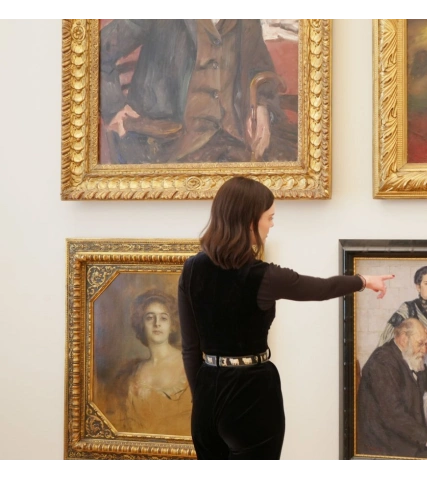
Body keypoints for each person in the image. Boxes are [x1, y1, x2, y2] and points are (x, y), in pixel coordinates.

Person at [177, 176, 394, 463]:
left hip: (206, 392)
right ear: (250, 222)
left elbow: (190, 348)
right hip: (252, 393)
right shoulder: (265, 276)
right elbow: (320, 288)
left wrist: (202, 399)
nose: (272, 225)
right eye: (270, 217)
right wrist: (363, 280)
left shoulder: (191, 268)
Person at [100, 17, 297, 164]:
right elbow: (95, 49)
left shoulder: (246, 17)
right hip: (166, 141)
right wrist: (114, 107)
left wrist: (262, 106)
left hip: (234, 139)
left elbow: (260, 68)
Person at [357, 319, 427, 459]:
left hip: (403, 438)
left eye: (425, 344)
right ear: (404, 339)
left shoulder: (410, 357)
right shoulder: (382, 362)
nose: (424, 350)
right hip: (385, 445)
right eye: (420, 344)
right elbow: (393, 415)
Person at [107, 289, 192, 436]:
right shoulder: (130, 375)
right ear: (141, 325)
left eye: (163, 318)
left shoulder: (190, 363)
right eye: (150, 318)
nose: (157, 323)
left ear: (172, 325)